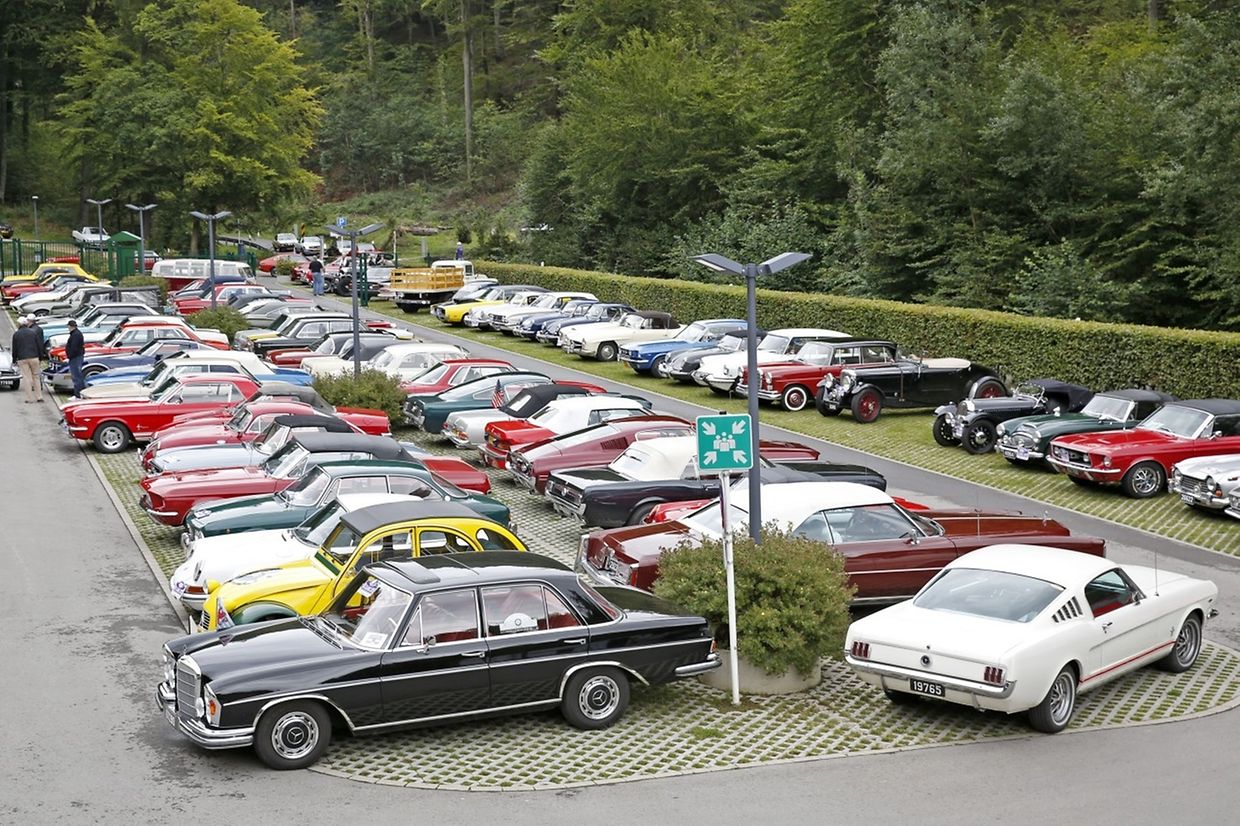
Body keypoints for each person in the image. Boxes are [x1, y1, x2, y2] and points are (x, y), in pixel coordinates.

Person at [11, 316, 44, 403]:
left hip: (22, 358)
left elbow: (15, 349)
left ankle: (29, 398)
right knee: (36, 377)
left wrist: (14, 360)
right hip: (34, 357)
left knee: (26, 378)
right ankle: (39, 396)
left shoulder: (16, 334)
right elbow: (39, 346)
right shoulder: (33, 333)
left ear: (19, 324)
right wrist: (40, 357)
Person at [65, 319, 87, 398]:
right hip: (76, 357)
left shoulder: (75, 335)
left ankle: (78, 395)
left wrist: (69, 356)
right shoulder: (76, 334)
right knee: (77, 376)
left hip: (75, 357)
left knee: (76, 376)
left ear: (70, 326)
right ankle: (79, 393)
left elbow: (74, 347)